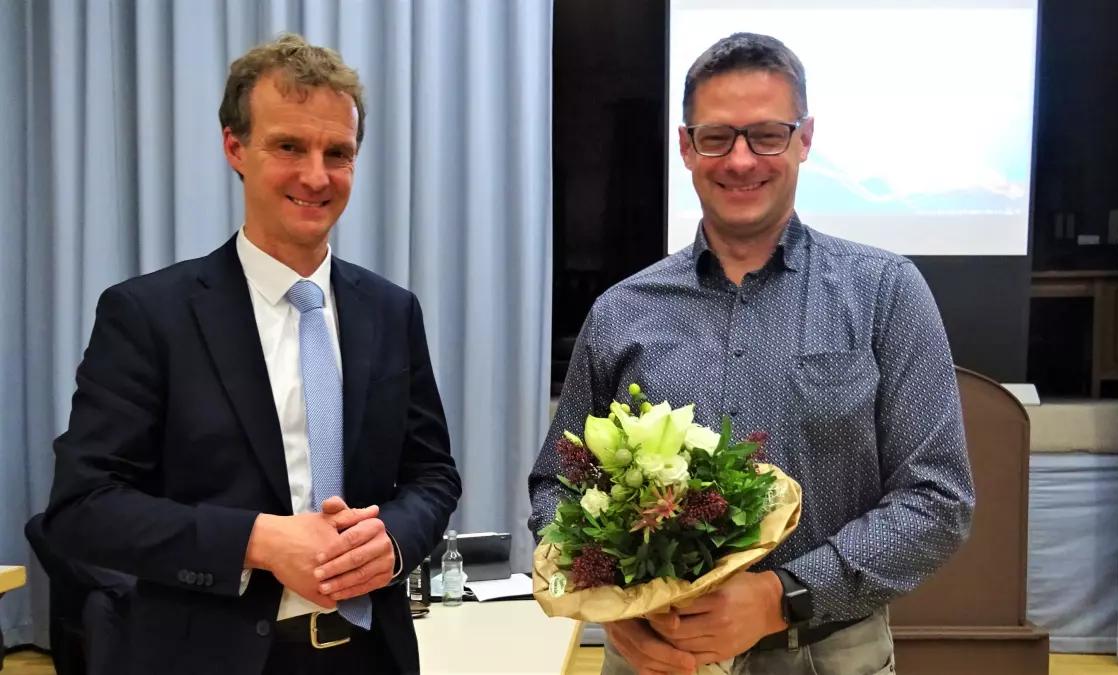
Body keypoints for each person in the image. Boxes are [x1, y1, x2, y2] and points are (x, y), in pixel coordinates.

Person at [528, 32, 974, 675]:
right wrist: (611, 607)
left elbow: (938, 499)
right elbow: (558, 485)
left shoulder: (884, 293)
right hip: (653, 654)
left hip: (826, 652)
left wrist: (784, 595)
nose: (741, 160)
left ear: (804, 139)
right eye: (716, 137)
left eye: (766, 134)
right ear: (686, 146)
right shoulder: (622, 310)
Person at [43, 33, 460, 675]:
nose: (316, 176)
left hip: (371, 654)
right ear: (235, 147)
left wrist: (395, 540)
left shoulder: (390, 310)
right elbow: (84, 507)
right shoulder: (150, 314)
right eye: (289, 146)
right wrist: (256, 541)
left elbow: (433, 475)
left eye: (337, 153)